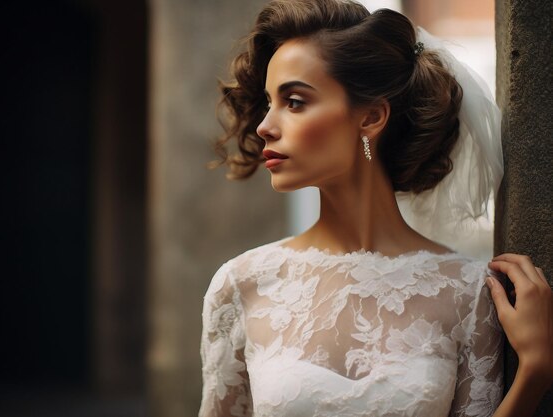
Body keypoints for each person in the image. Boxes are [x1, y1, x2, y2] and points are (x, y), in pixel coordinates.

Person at [199, 1, 553, 416]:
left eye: (294, 102)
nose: (265, 126)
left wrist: (535, 370)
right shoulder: (243, 285)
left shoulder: (468, 293)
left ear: (371, 118)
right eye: (268, 103)